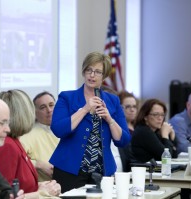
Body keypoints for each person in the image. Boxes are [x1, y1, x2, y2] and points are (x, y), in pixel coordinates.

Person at [49, 51, 131, 193]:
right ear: (84, 71)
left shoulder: (113, 101)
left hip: (102, 172)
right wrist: (85, 109)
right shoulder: (67, 97)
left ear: (104, 76)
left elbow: (123, 140)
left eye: (98, 72)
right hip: (69, 169)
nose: (92, 75)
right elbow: (58, 129)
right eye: (89, 70)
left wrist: (109, 119)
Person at [0, 90, 61, 198]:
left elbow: (20, 186)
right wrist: (42, 193)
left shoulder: (14, 141)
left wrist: (40, 186)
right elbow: (4, 195)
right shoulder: (7, 145)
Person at [20, 91, 60, 182]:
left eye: (51, 105)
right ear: (35, 113)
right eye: (43, 107)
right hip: (46, 189)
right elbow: (16, 159)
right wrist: (38, 164)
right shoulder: (28, 135)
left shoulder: (68, 128)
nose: (49, 110)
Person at [129, 99, 177, 163]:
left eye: (162, 115)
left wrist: (171, 138)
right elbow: (167, 158)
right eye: (155, 114)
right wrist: (165, 135)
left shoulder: (156, 132)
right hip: (143, 171)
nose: (160, 118)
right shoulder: (143, 131)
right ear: (145, 117)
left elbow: (174, 156)